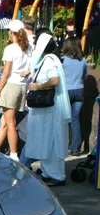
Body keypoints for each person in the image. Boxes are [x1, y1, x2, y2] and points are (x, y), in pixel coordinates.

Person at [23, 32, 71, 186]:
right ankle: (48, 172)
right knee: (49, 140)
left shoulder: (49, 61)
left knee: (51, 140)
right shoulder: (51, 59)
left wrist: (37, 86)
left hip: (50, 110)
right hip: (48, 110)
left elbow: (54, 80)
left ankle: (56, 176)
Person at [0, 20, 32, 161]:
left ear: (12, 32)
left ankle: (14, 154)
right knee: (6, 121)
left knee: (10, 123)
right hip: (22, 86)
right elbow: (31, 68)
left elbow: (6, 72)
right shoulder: (28, 48)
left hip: (11, 85)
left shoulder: (10, 49)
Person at [61, 37, 87, 155]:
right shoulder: (83, 61)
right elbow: (84, 77)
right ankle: (75, 147)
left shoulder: (63, 60)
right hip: (80, 91)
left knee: (63, 120)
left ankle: (63, 145)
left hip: (66, 91)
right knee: (75, 119)